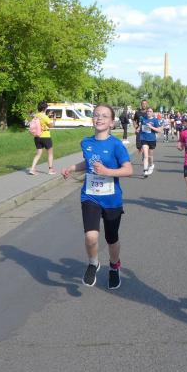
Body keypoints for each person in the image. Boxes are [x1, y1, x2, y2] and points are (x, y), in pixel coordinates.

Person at [62, 104, 133, 289]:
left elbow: (128, 170)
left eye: (104, 116)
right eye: (96, 115)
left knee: (111, 239)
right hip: (90, 196)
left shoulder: (116, 145)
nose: (99, 118)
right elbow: (88, 162)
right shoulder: (86, 142)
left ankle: (114, 266)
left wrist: (107, 171)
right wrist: (72, 168)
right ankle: (93, 263)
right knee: (91, 237)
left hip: (111, 199)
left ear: (111, 122)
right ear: (92, 119)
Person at [29, 101, 54, 175]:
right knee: (50, 153)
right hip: (46, 137)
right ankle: (50, 170)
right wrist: (54, 120)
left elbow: (40, 120)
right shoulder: (45, 117)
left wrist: (48, 115)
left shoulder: (36, 115)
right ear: (45, 108)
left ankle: (32, 169)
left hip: (37, 137)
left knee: (38, 154)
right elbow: (51, 126)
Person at [139, 107, 159, 177]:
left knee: (150, 156)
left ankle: (151, 164)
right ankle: (145, 170)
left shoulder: (155, 120)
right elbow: (141, 126)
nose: (149, 112)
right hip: (144, 139)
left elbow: (159, 130)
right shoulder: (143, 119)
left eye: (150, 111)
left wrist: (151, 127)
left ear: (152, 113)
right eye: (148, 111)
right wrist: (138, 129)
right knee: (145, 155)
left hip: (152, 139)